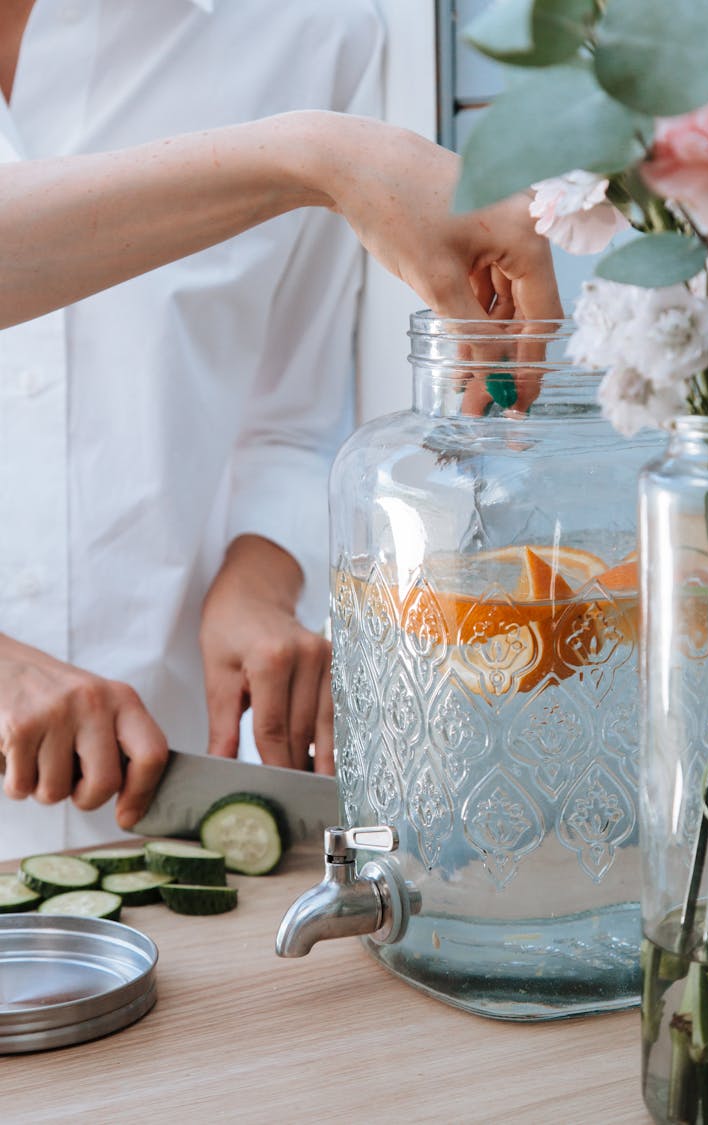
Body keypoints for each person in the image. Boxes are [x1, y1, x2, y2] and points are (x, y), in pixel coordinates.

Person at [0, 1, 560, 861]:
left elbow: (290, 419)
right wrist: (319, 156)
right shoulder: (325, 143)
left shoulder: (310, 32)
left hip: (163, 814)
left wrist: (256, 580)